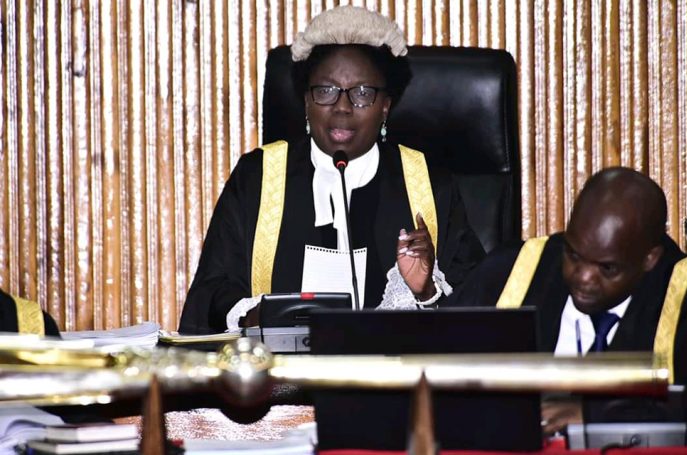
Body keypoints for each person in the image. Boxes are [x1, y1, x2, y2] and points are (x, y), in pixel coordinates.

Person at [179, 6, 485, 334]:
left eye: (362, 93)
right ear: (306, 102)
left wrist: (425, 291)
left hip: (394, 379)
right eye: (325, 91)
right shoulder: (257, 177)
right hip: (282, 381)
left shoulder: (429, 184)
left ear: (385, 106)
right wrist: (255, 316)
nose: (342, 107)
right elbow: (209, 295)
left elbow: (481, 307)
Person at [446, 167, 687, 431]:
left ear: (649, 259)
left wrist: (595, 417)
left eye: (607, 268)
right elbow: (433, 363)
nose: (583, 277)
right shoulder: (511, 271)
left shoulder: (685, 295)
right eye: (573, 255)